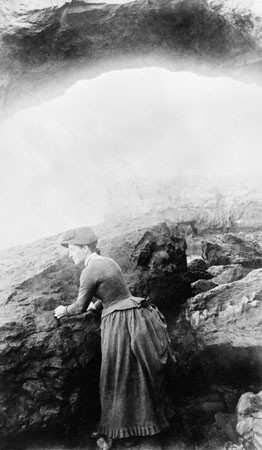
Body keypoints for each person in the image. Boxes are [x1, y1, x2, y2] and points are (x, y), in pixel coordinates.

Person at [54, 226, 176, 449]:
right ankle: (147, 423)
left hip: (119, 323)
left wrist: (63, 310)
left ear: (84, 248)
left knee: (116, 375)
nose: (70, 254)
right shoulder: (108, 262)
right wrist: (97, 304)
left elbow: (79, 306)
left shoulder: (89, 270)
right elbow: (115, 291)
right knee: (134, 372)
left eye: (72, 249)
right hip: (135, 315)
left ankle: (127, 431)